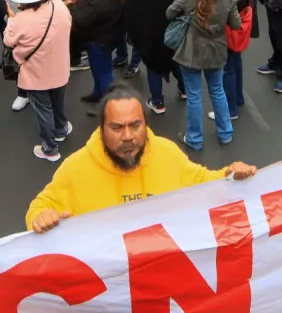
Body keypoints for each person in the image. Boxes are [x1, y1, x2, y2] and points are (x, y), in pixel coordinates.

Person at [26, 85, 257, 233]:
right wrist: (41, 217)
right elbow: (39, 208)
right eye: (116, 127)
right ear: (102, 129)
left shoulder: (167, 154)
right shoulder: (75, 169)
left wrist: (230, 175)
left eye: (135, 126)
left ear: (145, 124)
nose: (127, 136)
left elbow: (203, 182)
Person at [167, 0, 242, 150]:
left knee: (194, 95)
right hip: (217, 49)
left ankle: (195, 138)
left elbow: (169, 13)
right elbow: (235, 25)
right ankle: (225, 133)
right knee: (217, 91)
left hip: (191, 50)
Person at [5, 0, 74, 162]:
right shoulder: (59, 7)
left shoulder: (20, 20)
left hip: (35, 73)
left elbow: (8, 41)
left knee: (43, 109)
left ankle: (50, 148)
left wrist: (11, 19)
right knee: (58, 102)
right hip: (59, 67)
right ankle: (61, 129)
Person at [71, 0, 124, 114]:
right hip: (106, 37)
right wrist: (78, 0)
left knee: (104, 74)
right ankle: (98, 94)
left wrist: (72, 7)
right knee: (98, 70)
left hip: (98, 40)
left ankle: (107, 106)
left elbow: (83, 19)